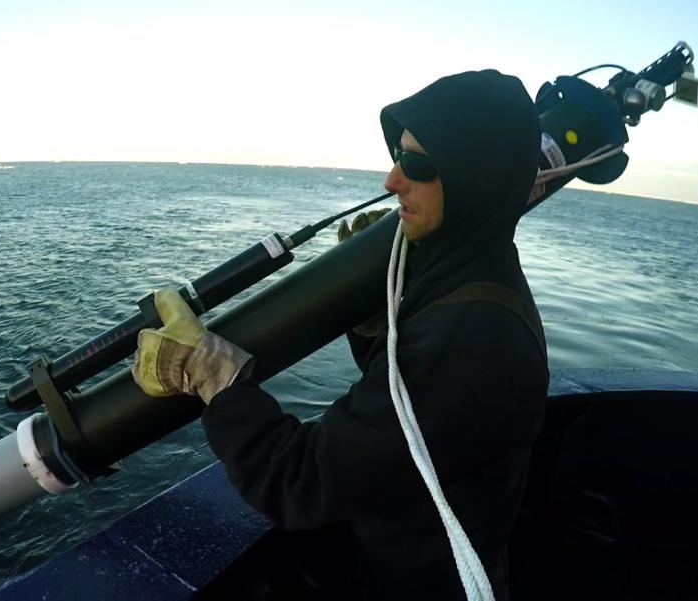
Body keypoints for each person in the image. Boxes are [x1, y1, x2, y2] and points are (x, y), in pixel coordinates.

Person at [132, 70, 550, 599]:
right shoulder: (479, 276)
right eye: (397, 155)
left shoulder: (472, 339)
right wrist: (376, 323)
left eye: (418, 163)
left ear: (475, 177)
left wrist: (212, 374)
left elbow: (300, 483)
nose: (392, 180)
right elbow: (415, 417)